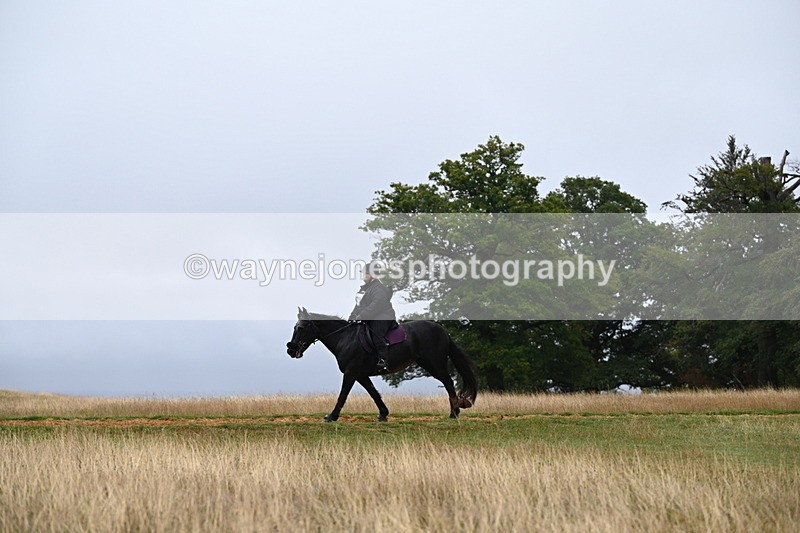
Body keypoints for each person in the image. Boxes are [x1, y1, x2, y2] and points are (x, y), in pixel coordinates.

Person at [348, 260, 397, 371]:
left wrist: (361, 316)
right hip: (371, 316)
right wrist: (352, 317)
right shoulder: (365, 289)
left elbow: (376, 305)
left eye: (365, 274)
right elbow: (358, 306)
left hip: (383, 316)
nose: (363, 276)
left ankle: (383, 361)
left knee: (375, 333)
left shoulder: (378, 288)